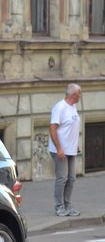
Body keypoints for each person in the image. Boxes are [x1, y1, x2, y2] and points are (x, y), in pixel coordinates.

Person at [48, 83, 82, 217]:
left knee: (71, 178)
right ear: (74, 94)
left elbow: (71, 127)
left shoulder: (73, 107)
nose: (80, 96)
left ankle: (68, 205)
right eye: (80, 93)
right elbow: (52, 129)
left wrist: (76, 143)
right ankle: (59, 206)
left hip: (71, 149)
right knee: (62, 178)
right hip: (60, 150)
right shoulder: (60, 107)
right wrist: (59, 148)